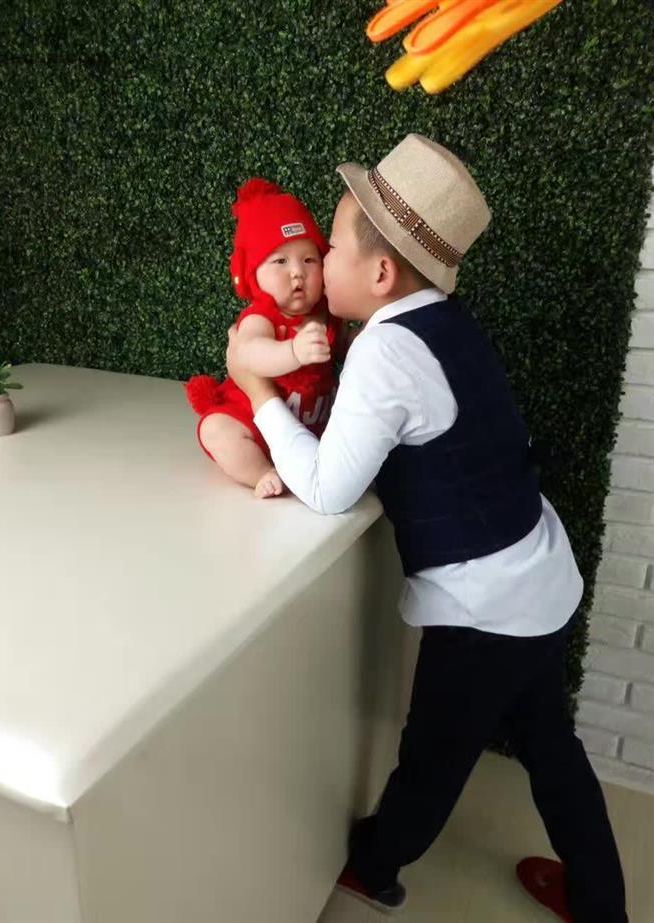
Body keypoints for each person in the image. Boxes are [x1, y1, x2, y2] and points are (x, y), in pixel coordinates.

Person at [226, 134, 628, 922]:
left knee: (433, 757)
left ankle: (372, 868)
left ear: (379, 274)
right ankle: (600, 902)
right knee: (551, 747)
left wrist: (256, 389)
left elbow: (327, 489)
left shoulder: (383, 351)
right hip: (540, 576)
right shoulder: (440, 318)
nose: (318, 264)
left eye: (330, 247)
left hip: (487, 609)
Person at [186, 177, 341, 498]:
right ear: (252, 275)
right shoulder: (262, 317)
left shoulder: (328, 312)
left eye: (309, 260)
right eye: (280, 261)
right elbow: (249, 353)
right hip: (253, 421)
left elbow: (348, 343)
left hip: (311, 424)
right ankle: (261, 471)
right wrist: (293, 351)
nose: (297, 272)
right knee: (216, 430)